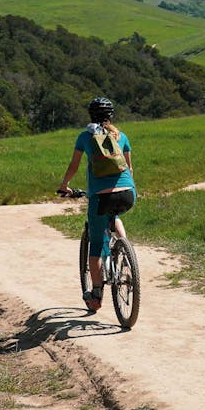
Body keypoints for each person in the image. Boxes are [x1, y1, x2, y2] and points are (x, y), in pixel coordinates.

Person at [58, 97, 136, 312]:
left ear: (90, 115)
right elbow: (129, 169)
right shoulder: (121, 136)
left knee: (95, 245)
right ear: (111, 115)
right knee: (115, 215)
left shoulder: (85, 137)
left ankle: (97, 294)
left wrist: (65, 185)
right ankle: (125, 252)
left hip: (101, 197)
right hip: (127, 194)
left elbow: (74, 166)